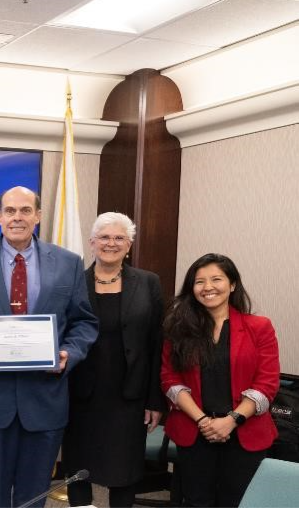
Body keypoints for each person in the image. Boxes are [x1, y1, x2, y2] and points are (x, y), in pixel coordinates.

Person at [0, 186, 98, 508]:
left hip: (45, 398)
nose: (18, 217)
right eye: (11, 211)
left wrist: (68, 354)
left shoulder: (68, 263)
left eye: (26, 210)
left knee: (34, 497)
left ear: (38, 216)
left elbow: (84, 322)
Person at [62, 212, 166, 508]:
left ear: (129, 245)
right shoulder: (73, 283)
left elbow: (156, 343)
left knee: (125, 473)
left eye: (119, 237)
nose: (111, 243)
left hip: (129, 396)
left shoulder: (148, 283)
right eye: (105, 237)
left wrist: (155, 400)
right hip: (81, 395)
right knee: (78, 470)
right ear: (92, 243)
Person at [161, 253, 280, 508]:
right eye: (199, 281)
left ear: (233, 284)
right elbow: (170, 380)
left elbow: (267, 383)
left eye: (216, 279)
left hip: (245, 432)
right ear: (192, 288)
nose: (208, 287)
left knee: (236, 502)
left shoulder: (259, 327)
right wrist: (204, 421)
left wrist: (232, 420)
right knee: (196, 501)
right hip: (195, 430)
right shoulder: (178, 327)